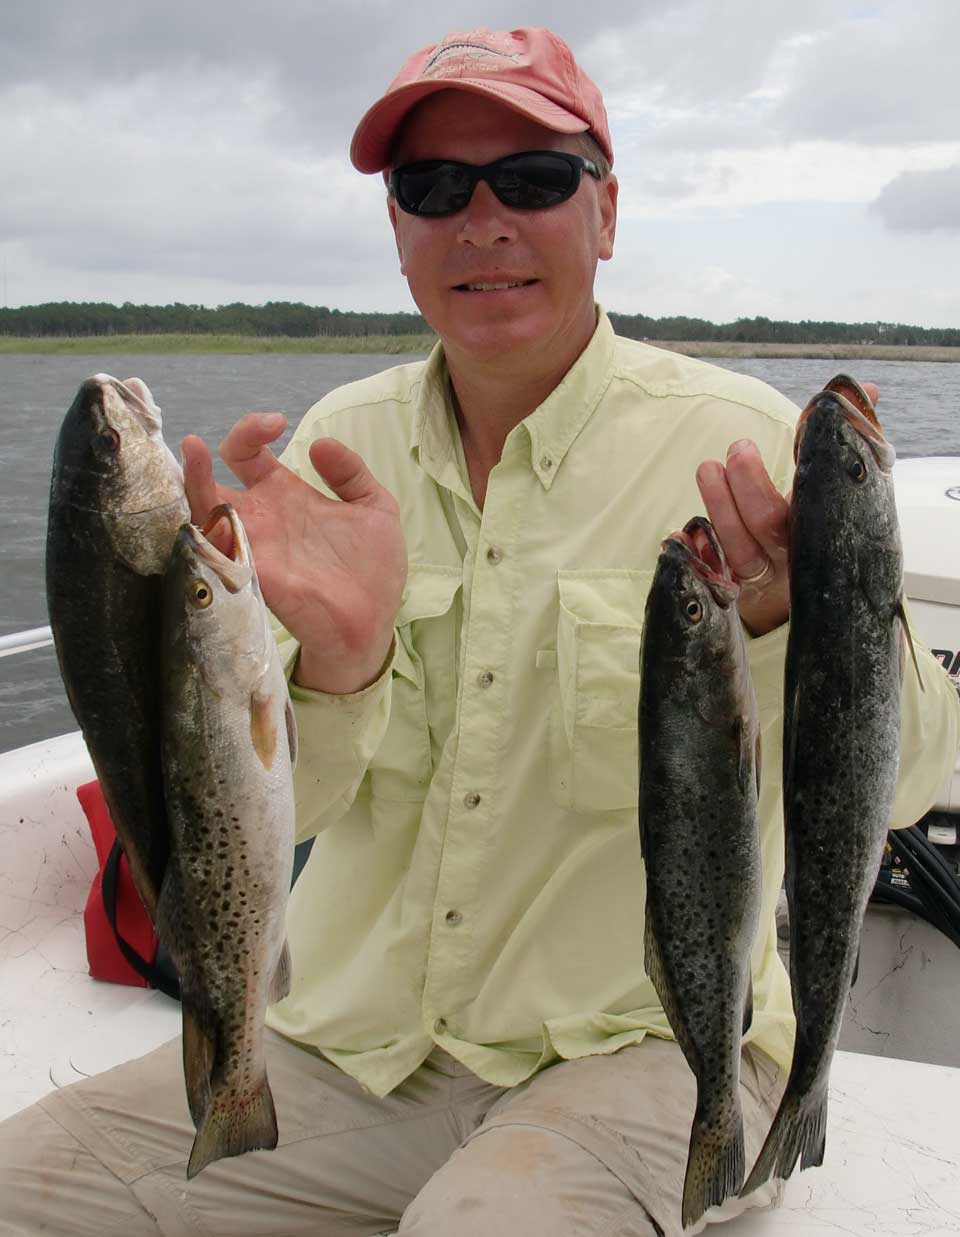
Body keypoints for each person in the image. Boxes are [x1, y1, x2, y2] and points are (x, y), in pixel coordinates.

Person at [3, 25, 958, 1237]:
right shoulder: (336, 447)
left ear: (606, 214)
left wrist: (779, 629)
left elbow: (911, 774)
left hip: (653, 1054)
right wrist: (340, 668)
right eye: (434, 187)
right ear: (397, 231)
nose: (482, 218)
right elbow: (280, 810)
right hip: (352, 1053)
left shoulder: (751, 448)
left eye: (535, 179)